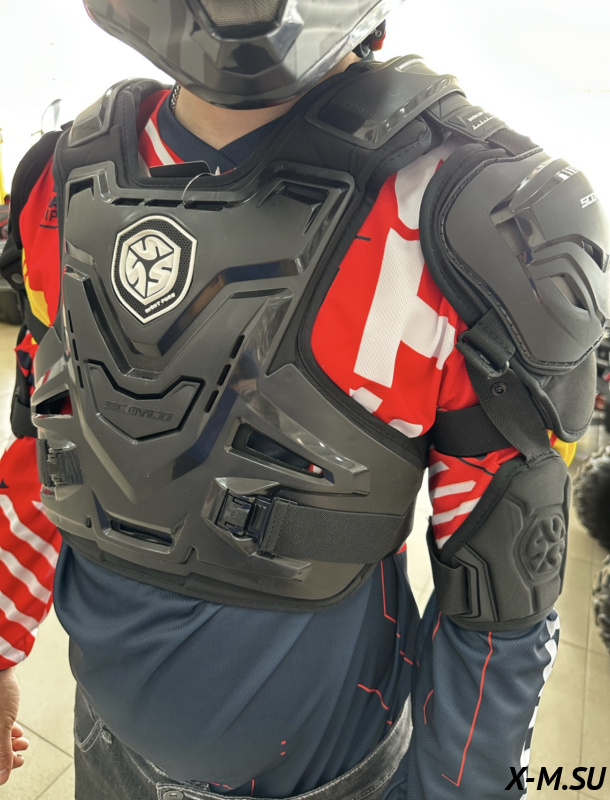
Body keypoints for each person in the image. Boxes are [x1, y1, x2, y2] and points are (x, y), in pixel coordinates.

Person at [0, 1, 608, 798]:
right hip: (106, 746)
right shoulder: (60, 177)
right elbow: (49, 452)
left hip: (331, 771)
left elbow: (503, 592)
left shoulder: (472, 216)